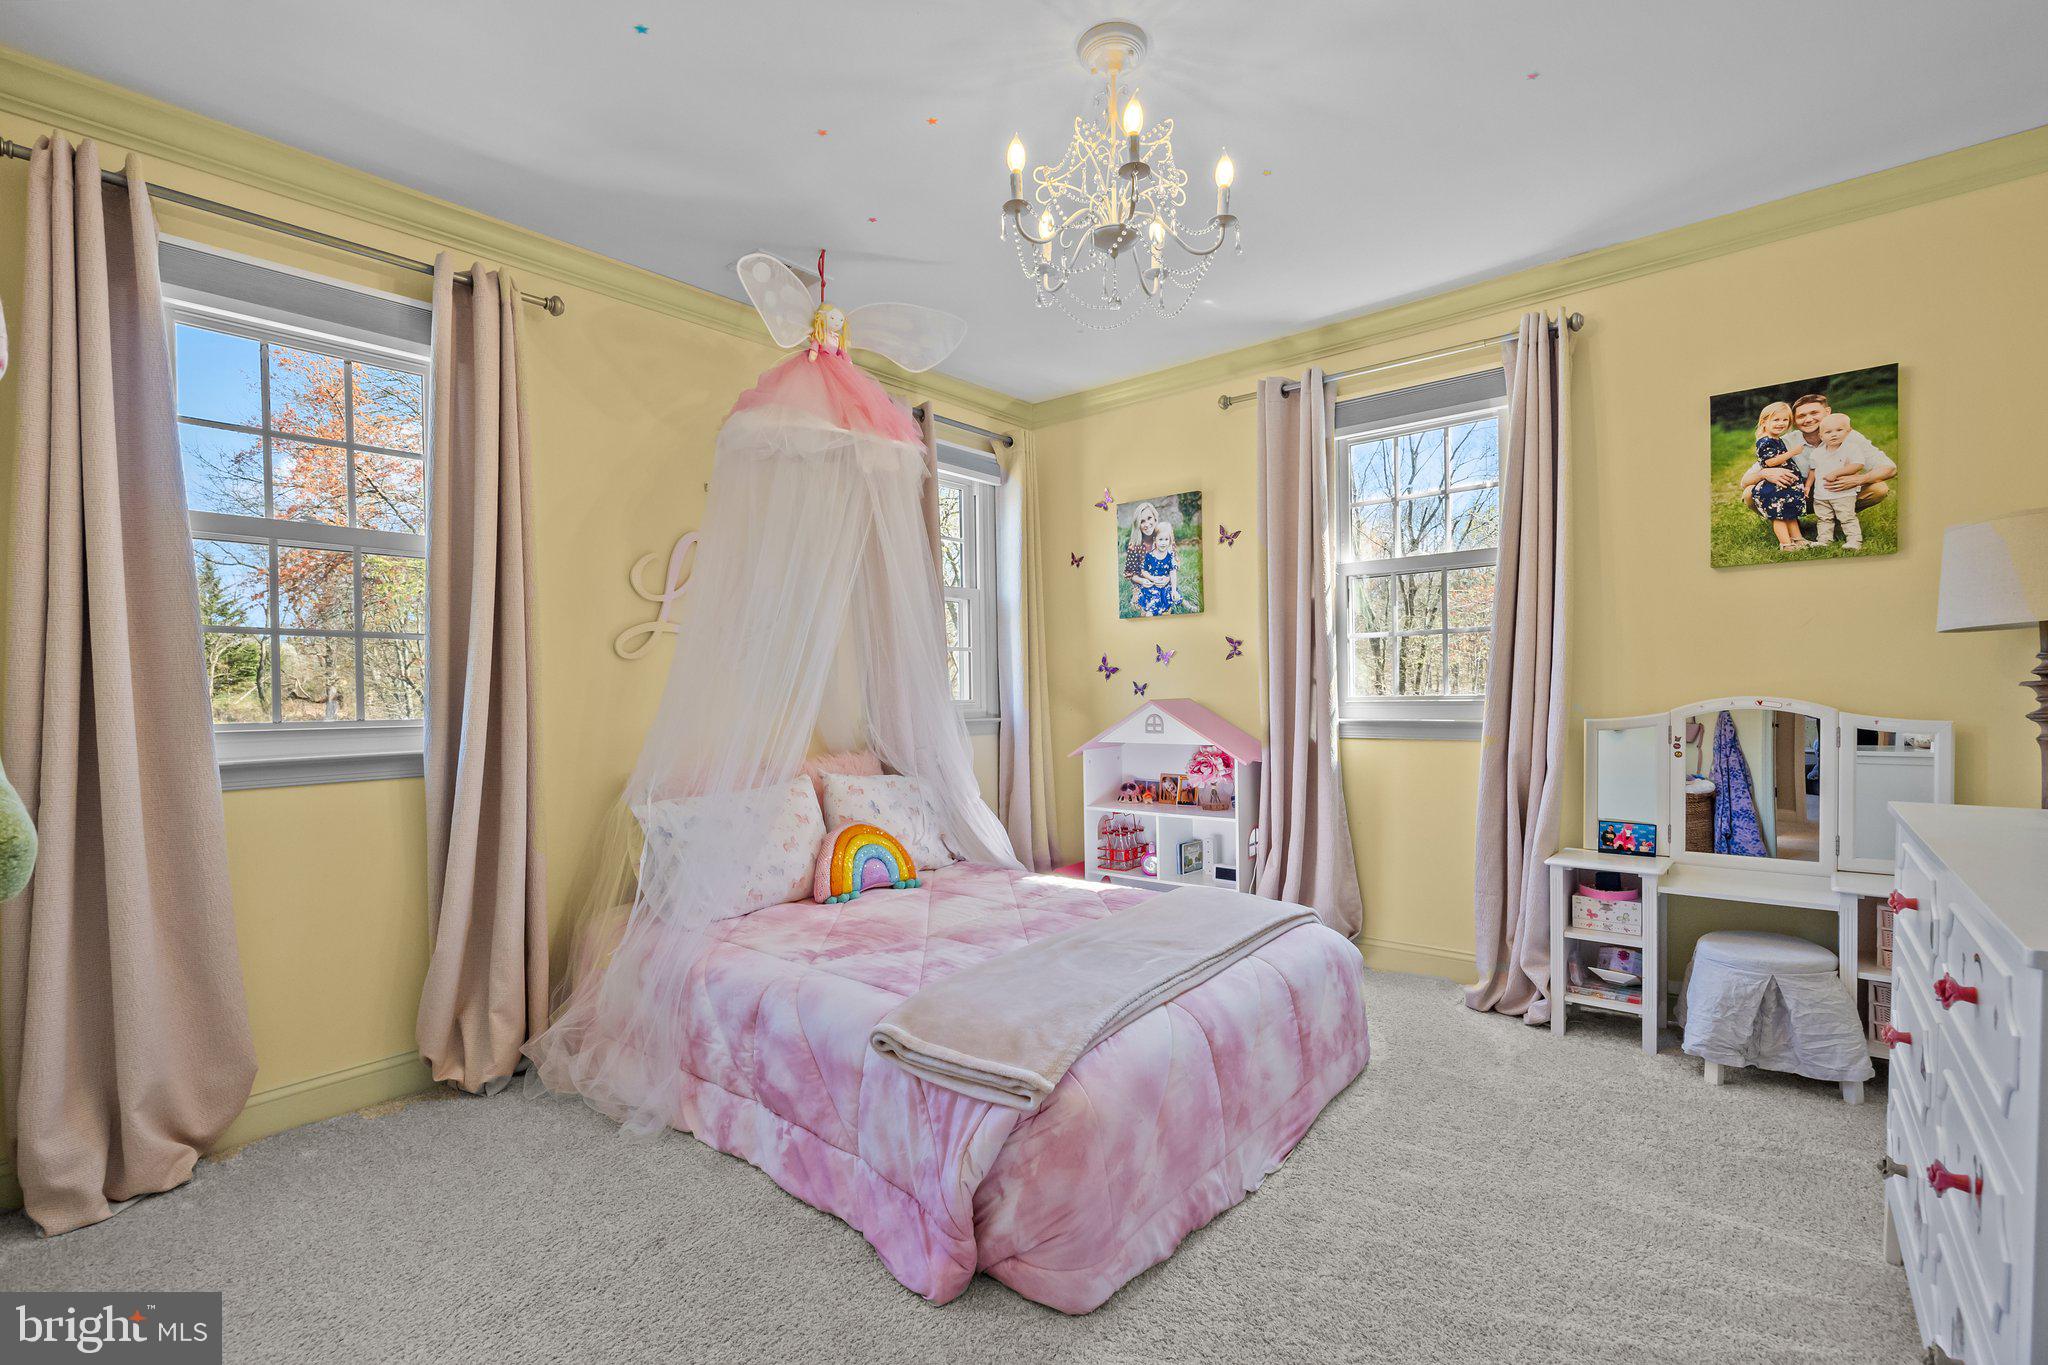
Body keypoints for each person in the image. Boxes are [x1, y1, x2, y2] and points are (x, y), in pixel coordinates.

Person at [1739, 391, 1896, 534]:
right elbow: (1745, 482)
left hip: (1836, 491)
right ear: (1794, 421)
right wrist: (1764, 472)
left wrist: (1861, 479)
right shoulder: (1785, 442)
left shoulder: (1849, 436)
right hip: (1799, 495)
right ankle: (1787, 521)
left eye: (1814, 413)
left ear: (1827, 412)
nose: (1808, 419)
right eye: (1801, 416)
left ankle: (1838, 519)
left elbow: (1889, 468)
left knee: (1879, 488)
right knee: (1749, 493)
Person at [1748, 401, 1810, 551]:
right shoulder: (1765, 441)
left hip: (1784, 484)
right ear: (1764, 421)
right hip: (1775, 486)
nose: (1781, 423)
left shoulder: (1776, 439)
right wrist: (1792, 452)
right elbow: (1770, 462)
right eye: (1776, 420)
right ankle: (1786, 544)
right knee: (1779, 515)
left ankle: (1798, 539)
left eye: (1785, 420)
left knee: (1789, 513)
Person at [1807, 413, 1867, 549]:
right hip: (1821, 495)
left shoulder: (1851, 448)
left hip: (1843, 493)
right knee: (1823, 518)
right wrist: (1808, 486)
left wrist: (1836, 473)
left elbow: (1858, 464)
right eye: (1828, 432)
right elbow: (1813, 469)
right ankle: (1824, 540)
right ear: (1821, 436)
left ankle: (1854, 541)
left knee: (1847, 517)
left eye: (1839, 430)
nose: (1833, 434)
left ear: (1849, 431)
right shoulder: (1817, 452)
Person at [1123, 502, 1183, 615]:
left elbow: (1173, 564)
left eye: (1149, 518)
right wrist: (1142, 581)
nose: (1147, 524)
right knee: (1141, 607)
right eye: (1142, 521)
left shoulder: (1165, 536)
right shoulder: (1135, 545)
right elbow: (1131, 575)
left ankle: (1183, 603)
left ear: (1155, 518)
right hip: (1144, 584)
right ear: (1138, 524)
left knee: (1171, 597)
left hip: (1163, 581)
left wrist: (1167, 579)